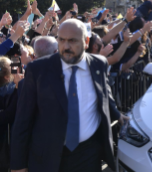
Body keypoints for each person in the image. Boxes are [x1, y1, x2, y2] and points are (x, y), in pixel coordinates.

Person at [10, 19, 129, 172]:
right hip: (48, 157)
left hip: (89, 155)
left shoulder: (99, 64)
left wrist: (118, 115)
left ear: (86, 41)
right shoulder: (38, 70)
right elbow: (22, 120)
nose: (66, 46)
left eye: (72, 41)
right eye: (62, 40)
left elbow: (105, 95)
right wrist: (18, 165)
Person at [0, 57, 23, 172]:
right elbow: (8, 115)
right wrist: (18, 88)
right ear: (6, 77)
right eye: (12, 70)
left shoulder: (10, 90)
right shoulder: (9, 93)